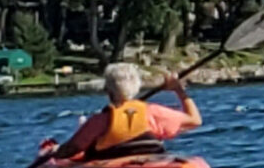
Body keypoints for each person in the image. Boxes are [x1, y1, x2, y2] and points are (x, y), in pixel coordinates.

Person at [49, 62, 203, 160]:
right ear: (136, 88)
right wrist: (179, 90)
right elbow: (195, 120)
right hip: (150, 162)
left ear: (108, 91)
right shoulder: (154, 112)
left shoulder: (101, 120)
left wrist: (54, 152)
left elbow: (70, 150)